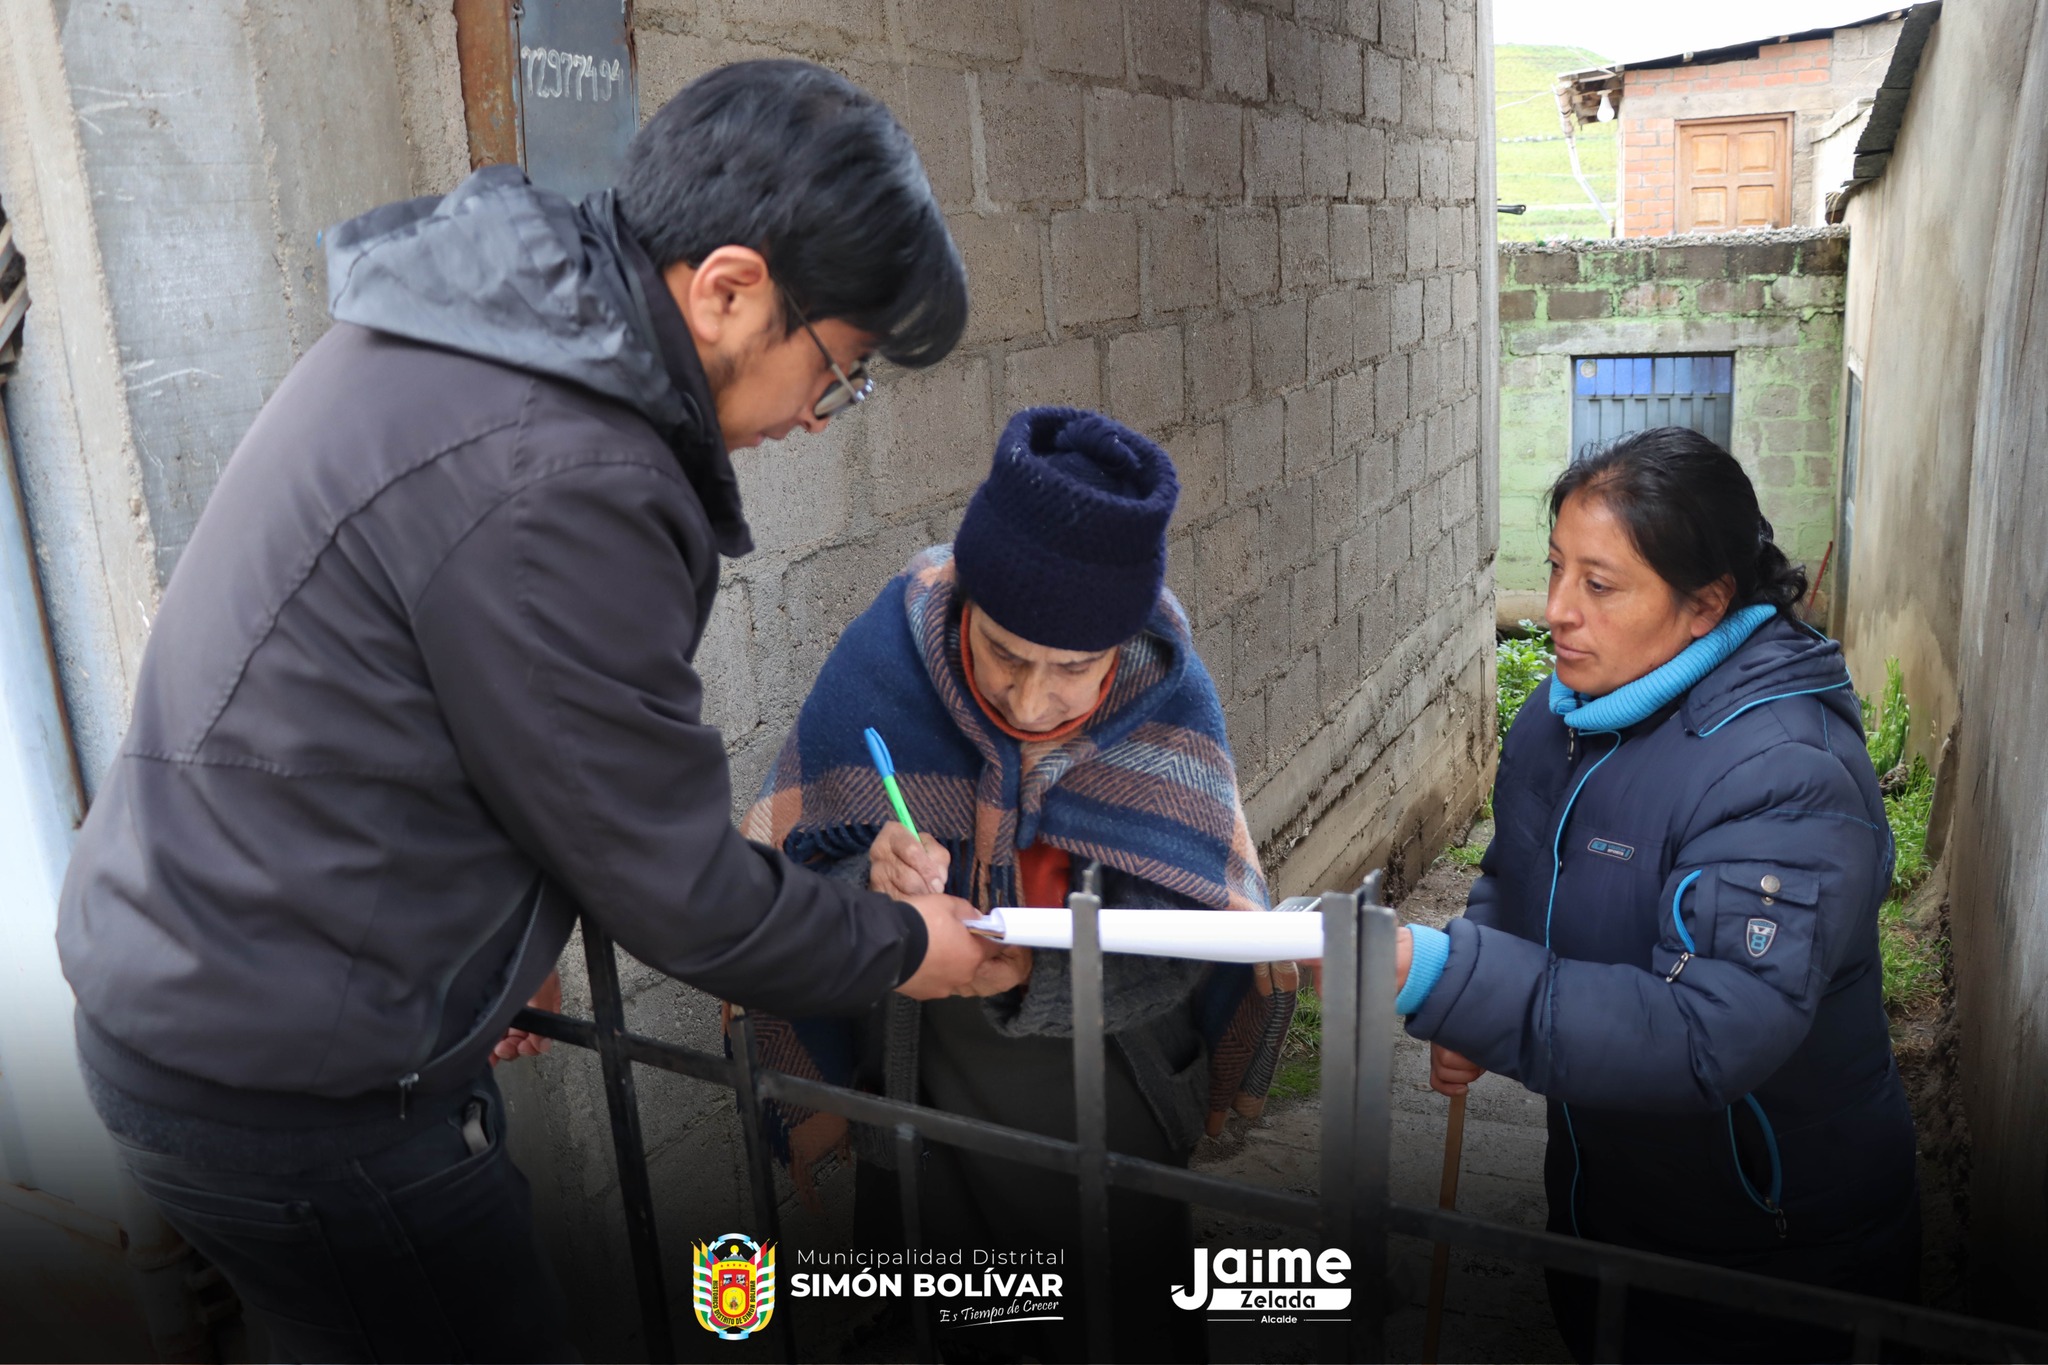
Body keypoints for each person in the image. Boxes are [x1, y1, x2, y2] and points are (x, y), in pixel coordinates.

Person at [54, 59, 997, 1363]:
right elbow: (671, 882)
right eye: (838, 372)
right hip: (289, 1092)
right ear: (728, 290)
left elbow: (431, 720)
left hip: (223, 1004)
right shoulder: (560, 470)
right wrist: (905, 944)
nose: (823, 419)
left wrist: (471, 950)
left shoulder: (490, 333)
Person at [740, 408, 1296, 1364]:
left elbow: (1197, 932)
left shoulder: (1168, 694)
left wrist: (1025, 974)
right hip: (921, 1092)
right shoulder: (886, 663)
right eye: (1004, 656)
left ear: (1119, 649)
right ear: (966, 608)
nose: (1031, 702)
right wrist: (869, 879)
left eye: (1073, 670)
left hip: (1107, 1088)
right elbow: (789, 879)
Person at [1388, 427, 1918, 1362]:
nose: (1555, 610)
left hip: (1766, 1258)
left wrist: (1448, 974)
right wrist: (1477, 982)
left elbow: (1706, 1032)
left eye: (1599, 584)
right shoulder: (1563, 719)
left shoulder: (1785, 774)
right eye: (1555, 567)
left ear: (1705, 603)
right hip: (1605, 1207)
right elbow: (1517, 874)